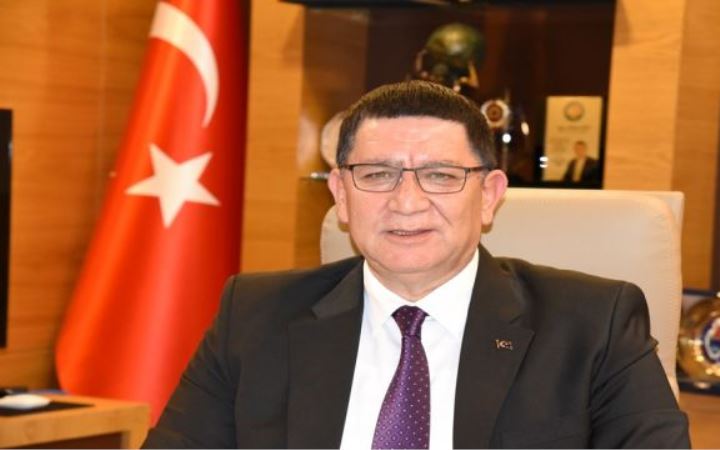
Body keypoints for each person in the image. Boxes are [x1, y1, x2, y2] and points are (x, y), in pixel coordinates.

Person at [143, 81, 689, 449]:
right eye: (377, 175)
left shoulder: (593, 326)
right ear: (341, 195)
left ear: (489, 195)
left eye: (441, 176)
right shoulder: (254, 316)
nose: (406, 202)